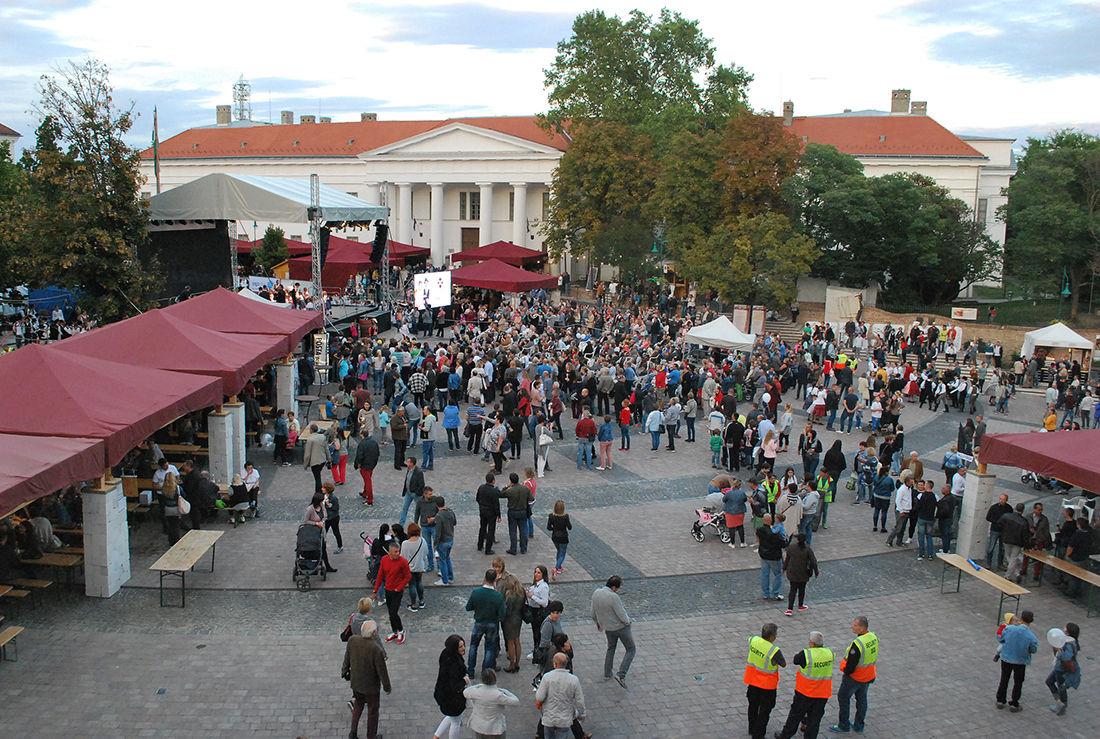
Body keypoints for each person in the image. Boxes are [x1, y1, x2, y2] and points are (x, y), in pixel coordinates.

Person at [774, 631, 834, 739]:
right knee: (815, 718)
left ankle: (786, 735)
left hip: (805, 692)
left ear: (812, 644)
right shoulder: (829, 653)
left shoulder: (806, 654)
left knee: (795, 715)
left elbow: (795, 660)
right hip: (822, 693)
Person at [342, 619, 391, 739]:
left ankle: (353, 732)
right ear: (374, 633)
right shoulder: (376, 649)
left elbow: (346, 658)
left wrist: (344, 672)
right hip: (371, 687)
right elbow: (382, 671)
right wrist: (387, 686)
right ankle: (371, 736)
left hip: (356, 682)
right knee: (373, 711)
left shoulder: (353, 640)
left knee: (358, 705)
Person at [829, 616, 878, 734]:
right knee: (862, 700)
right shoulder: (873, 637)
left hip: (855, 677)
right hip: (868, 675)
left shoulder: (857, 645)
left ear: (862, 628)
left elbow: (851, 666)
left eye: (855, 625)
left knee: (843, 697)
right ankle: (859, 725)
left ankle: (844, 725)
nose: (852, 626)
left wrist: (845, 671)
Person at [590, 574, 635, 688]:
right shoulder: (613, 597)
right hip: (620, 628)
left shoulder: (596, 593)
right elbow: (621, 614)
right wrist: (627, 622)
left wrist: (598, 623)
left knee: (611, 648)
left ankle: (607, 673)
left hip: (608, 628)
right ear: (614, 587)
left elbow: (592, 613)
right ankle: (621, 674)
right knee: (631, 649)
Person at [744, 622, 787, 739]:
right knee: (764, 711)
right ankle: (758, 735)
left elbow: (750, 641)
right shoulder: (774, 650)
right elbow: (783, 664)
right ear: (772, 637)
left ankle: (752, 728)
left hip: (752, 681)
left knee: (753, 706)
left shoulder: (754, 640)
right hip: (767, 686)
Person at [535, 652, 587, 739]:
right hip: (564, 719)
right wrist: (582, 714)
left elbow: (539, 697)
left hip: (549, 717)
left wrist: (538, 690)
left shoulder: (547, 677)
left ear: (554, 664)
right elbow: (579, 701)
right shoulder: (573, 680)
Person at [466, 569, 506, 678]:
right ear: (495, 580)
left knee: (473, 646)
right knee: (489, 648)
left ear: (485, 578)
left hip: (479, 622)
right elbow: (502, 614)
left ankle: (470, 670)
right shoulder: (498, 596)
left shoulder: (476, 592)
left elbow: (468, 607)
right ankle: (485, 671)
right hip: (492, 623)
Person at [996, 609, 1038, 711]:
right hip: (1021, 661)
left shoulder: (1010, 629)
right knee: (1018, 682)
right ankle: (1014, 703)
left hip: (1007, 658)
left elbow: (1000, 639)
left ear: (1021, 618)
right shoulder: (1031, 637)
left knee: (1004, 679)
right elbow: (1033, 650)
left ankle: (1000, 700)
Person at [372, 541, 411, 644]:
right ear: (389, 552)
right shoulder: (384, 560)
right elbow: (380, 575)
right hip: (388, 589)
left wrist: (400, 587)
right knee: (390, 613)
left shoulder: (403, 562)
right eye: (395, 552)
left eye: (398, 551)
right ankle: (395, 631)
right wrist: (375, 590)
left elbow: (408, 576)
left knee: (394, 612)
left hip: (397, 591)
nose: (397, 554)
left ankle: (401, 631)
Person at [464, 668, 520, 739]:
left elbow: (466, 691)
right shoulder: (498, 695)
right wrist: (505, 691)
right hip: (494, 729)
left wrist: (479, 685)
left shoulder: (476, 692)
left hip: (479, 727)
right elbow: (516, 701)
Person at [432, 634, 469, 739]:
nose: (463, 648)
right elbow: (455, 685)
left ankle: (436, 736)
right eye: (460, 647)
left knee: (452, 718)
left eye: (463, 645)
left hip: (443, 694)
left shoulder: (446, 654)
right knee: (456, 722)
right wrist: (464, 681)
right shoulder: (454, 664)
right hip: (452, 699)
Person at [1045, 623, 1081, 715]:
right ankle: (1060, 703)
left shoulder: (1069, 644)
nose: (1064, 629)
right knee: (1052, 682)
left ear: (1068, 632)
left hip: (1062, 669)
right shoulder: (1070, 641)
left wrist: (1059, 651)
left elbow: (1066, 657)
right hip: (1059, 668)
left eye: (1065, 628)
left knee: (1060, 687)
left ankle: (1062, 705)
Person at [783, 532, 818, 616]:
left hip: (792, 572)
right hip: (803, 573)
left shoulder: (791, 547)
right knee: (802, 589)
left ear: (797, 539)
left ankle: (789, 608)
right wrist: (816, 572)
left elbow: (787, 559)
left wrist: (784, 568)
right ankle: (800, 605)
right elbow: (813, 561)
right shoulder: (807, 549)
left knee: (792, 590)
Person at [498, 570, 526, 673]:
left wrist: (506, 598)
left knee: (510, 642)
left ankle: (512, 664)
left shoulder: (510, 596)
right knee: (517, 641)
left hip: (509, 620)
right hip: (518, 618)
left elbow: (507, 610)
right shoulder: (522, 592)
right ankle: (517, 663)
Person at [502, 472, 534, 555]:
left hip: (512, 511)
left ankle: (513, 548)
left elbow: (501, 494)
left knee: (513, 531)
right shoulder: (525, 488)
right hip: (523, 511)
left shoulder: (510, 491)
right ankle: (523, 548)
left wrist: (506, 487)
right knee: (523, 530)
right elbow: (531, 498)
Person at [757, 513, 787, 601]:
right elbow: (783, 544)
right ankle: (775, 593)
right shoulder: (775, 534)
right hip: (774, 556)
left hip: (763, 555)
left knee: (765, 575)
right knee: (778, 574)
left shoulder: (759, 530)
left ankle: (765, 594)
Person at [401, 522, 428, 613]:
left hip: (410, 568)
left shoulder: (405, 544)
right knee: (419, 582)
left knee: (412, 585)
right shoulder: (423, 541)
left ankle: (413, 604)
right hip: (420, 566)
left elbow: (403, 557)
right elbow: (426, 553)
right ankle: (421, 601)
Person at [984, 493, 1012, 570]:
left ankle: (1000, 564)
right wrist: (996, 521)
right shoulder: (994, 507)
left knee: (1002, 548)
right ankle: (988, 562)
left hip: (1004, 531)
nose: (1001, 501)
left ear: (1006, 500)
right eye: (1001, 499)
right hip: (995, 530)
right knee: (991, 547)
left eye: (1003, 499)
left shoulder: (1009, 508)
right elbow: (988, 517)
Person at [476, 472, 502, 555]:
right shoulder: (494, 491)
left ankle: (480, 545)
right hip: (491, 513)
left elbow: (477, 498)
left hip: (483, 511)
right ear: (493, 481)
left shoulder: (481, 488)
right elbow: (496, 505)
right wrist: (499, 515)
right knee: (491, 530)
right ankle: (488, 549)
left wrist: (482, 505)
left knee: (482, 528)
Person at [434, 496, 457, 586]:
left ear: (436, 505)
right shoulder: (451, 512)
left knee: (442, 561)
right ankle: (450, 577)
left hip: (443, 541)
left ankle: (444, 580)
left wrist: (435, 543)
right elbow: (454, 523)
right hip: (450, 539)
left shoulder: (439, 516)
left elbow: (438, 531)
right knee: (447, 558)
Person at [354, 428, 380, 505]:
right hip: (372, 463)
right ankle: (365, 493)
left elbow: (360, 456)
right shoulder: (374, 442)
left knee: (367, 481)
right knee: (368, 479)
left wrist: (358, 463)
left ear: (362, 435)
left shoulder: (362, 444)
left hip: (365, 465)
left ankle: (369, 499)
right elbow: (377, 453)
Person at [548, 500, 572, 579]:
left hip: (555, 536)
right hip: (563, 537)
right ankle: (556, 568)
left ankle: (560, 567)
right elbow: (569, 527)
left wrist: (554, 529)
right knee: (562, 553)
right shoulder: (565, 517)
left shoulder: (551, 516)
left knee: (559, 551)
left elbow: (549, 527)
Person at [302, 424, 329, 496]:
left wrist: (305, 464)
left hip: (314, 462)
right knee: (318, 475)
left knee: (317, 477)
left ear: (311, 430)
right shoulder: (323, 437)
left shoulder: (310, 440)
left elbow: (307, 454)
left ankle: (318, 492)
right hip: (322, 460)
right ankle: (318, 491)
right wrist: (329, 459)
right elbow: (326, 449)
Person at [398, 456, 425, 527]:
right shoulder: (408, 469)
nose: (407, 463)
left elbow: (422, 484)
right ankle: (401, 524)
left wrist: (417, 492)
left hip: (415, 494)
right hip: (408, 492)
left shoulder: (418, 472)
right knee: (404, 507)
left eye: (408, 462)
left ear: (412, 463)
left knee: (419, 509)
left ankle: (416, 523)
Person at [322, 483, 343, 553]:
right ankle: (322, 545)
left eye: (323, 488)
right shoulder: (325, 496)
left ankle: (340, 546)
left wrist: (329, 505)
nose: (322, 489)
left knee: (336, 532)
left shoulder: (333, 498)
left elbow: (336, 508)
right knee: (324, 532)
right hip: (327, 518)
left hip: (333, 518)